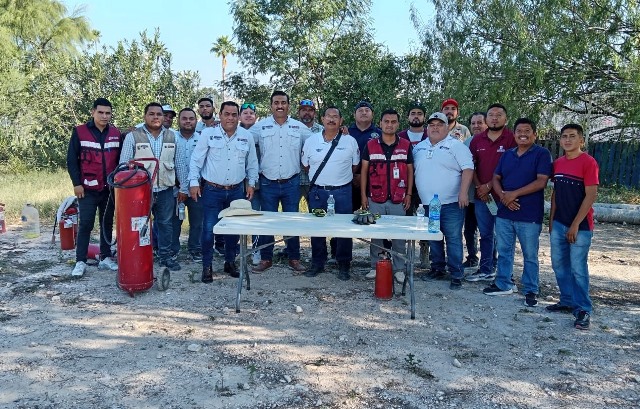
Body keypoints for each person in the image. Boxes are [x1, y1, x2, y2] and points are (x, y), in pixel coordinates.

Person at [482, 118, 552, 308]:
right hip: (505, 213)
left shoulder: (541, 154)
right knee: (504, 251)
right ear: (514, 134)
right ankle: (503, 283)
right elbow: (496, 178)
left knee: (530, 254)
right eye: (519, 131)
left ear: (534, 134)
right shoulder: (508, 154)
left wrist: (514, 194)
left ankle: (531, 289)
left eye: (527, 130)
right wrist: (503, 196)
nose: (523, 134)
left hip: (529, 214)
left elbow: (541, 181)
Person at [188, 101, 259, 282]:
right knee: (209, 230)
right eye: (226, 114)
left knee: (233, 230)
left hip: (236, 191)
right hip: (212, 190)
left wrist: (251, 183)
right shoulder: (208, 134)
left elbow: (252, 163)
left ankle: (230, 262)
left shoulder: (246, 136)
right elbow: (196, 160)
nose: (230, 118)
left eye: (234, 114)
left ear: (238, 116)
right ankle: (207, 266)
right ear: (220, 115)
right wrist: (194, 182)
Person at [120, 102, 187, 272]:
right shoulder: (133, 136)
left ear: (163, 117)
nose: (155, 117)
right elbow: (123, 164)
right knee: (139, 224)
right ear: (145, 116)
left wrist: (184, 188)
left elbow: (180, 164)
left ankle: (165, 257)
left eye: (159, 114)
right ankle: (138, 255)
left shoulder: (173, 136)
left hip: (165, 190)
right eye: (151, 114)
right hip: (140, 192)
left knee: (165, 224)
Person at [250, 90, 312, 273]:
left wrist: (340, 132)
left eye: (283, 102)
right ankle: (265, 259)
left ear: (288, 106)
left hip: (291, 182)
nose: (280, 106)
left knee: (291, 221)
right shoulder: (260, 127)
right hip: (267, 182)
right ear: (271, 106)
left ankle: (294, 258)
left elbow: (317, 141)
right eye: (276, 102)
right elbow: (242, 138)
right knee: (267, 222)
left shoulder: (299, 127)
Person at [413, 112, 473, 290]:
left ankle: (456, 273)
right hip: (427, 204)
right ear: (427, 128)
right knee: (434, 237)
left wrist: (463, 193)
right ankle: (437, 268)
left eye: (440, 124)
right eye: (432, 125)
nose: (435, 128)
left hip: (451, 203)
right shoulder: (419, 147)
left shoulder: (456, 146)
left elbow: (468, 169)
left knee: (453, 238)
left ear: (447, 128)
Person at [548, 123, 599, 330]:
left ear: (581, 140)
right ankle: (567, 300)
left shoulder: (588, 162)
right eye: (564, 136)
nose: (567, 140)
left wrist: (575, 224)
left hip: (580, 227)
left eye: (572, 136)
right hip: (559, 223)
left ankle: (583, 309)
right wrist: (552, 220)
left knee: (578, 268)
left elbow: (591, 195)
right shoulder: (558, 163)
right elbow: (555, 194)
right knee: (559, 264)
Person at [301, 107, 360, 280]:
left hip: (342, 191)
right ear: (322, 119)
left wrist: (338, 178)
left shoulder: (350, 141)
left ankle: (344, 263)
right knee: (317, 228)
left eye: (335, 117)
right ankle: (318, 263)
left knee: (344, 229)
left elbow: (355, 165)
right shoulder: (311, 141)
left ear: (341, 121)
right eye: (328, 116)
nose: (332, 119)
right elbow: (306, 165)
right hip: (318, 192)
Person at [66, 98, 121, 277]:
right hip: (87, 189)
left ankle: (105, 257)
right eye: (101, 112)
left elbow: (120, 160)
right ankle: (80, 261)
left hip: (109, 190)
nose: (104, 116)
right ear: (93, 112)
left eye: (108, 113)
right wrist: (76, 184)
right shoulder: (80, 132)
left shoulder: (115, 133)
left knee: (107, 223)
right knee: (86, 224)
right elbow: (71, 160)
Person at [361, 109, 413, 283]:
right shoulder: (370, 145)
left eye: (393, 122)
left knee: (399, 236)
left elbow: (410, 171)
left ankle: (399, 269)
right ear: (380, 123)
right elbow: (364, 171)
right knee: (376, 235)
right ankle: (375, 266)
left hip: (399, 198)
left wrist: (409, 194)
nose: (389, 125)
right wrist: (363, 196)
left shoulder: (406, 145)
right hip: (375, 197)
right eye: (386, 121)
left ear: (398, 124)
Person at [466, 104, 516, 283]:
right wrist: (480, 187)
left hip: (504, 197)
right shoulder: (477, 140)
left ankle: (505, 274)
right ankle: (486, 269)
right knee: (486, 234)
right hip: (483, 197)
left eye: (499, 115)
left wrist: (489, 186)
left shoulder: (512, 139)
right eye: (491, 115)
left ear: (506, 119)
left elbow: (513, 168)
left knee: (505, 237)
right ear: (487, 119)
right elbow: (471, 166)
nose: (495, 118)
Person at [398, 101, 429, 268]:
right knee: (406, 221)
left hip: (426, 184)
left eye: (419, 113)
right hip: (404, 185)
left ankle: (425, 253)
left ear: (424, 117)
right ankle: (404, 257)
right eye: (413, 113)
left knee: (426, 221)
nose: (416, 116)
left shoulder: (431, 134)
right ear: (408, 117)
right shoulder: (400, 136)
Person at [195, 97, 224, 255]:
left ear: (214, 109)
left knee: (222, 213)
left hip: (219, 177)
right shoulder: (195, 127)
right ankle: (203, 246)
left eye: (208, 106)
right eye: (201, 106)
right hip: (201, 178)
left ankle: (221, 244)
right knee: (205, 216)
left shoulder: (222, 125)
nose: (205, 109)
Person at [175, 108, 204, 262]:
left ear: (195, 121)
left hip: (197, 188)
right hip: (175, 187)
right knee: (174, 221)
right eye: (184, 118)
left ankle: (195, 249)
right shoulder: (171, 137)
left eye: (191, 118)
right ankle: (173, 250)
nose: (188, 121)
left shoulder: (202, 138)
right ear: (178, 120)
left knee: (197, 222)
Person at [461, 111, 488, 270]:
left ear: (487, 123)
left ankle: (490, 260)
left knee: (488, 231)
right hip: (471, 195)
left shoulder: (493, 141)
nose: (476, 126)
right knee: (469, 229)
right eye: (473, 123)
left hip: (490, 195)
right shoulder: (467, 143)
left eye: (480, 123)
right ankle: (472, 257)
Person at [239, 102, 261, 265]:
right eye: (245, 113)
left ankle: (256, 250)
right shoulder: (231, 130)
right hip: (235, 182)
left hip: (255, 184)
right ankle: (236, 250)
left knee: (254, 217)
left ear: (256, 117)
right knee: (236, 217)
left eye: (251, 113)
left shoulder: (262, 131)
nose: (248, 115)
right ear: (239, 116)